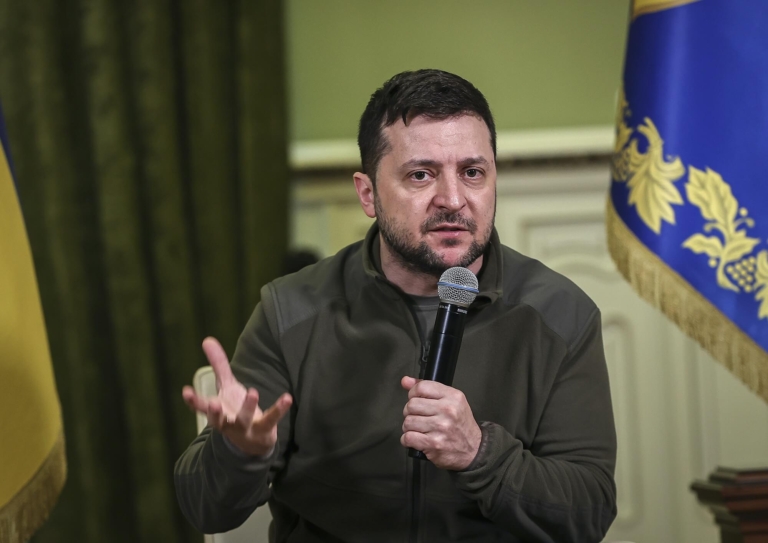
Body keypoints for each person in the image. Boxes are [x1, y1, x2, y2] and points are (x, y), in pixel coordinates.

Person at [175, 69, 617, 542]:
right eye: (421, 175)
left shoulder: (561, 314)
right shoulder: (291, 311)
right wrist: (240, 454)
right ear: (368, 193)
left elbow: (588, 512)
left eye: (472, 173)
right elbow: (206, 510)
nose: (453, 200)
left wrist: (480, 454)